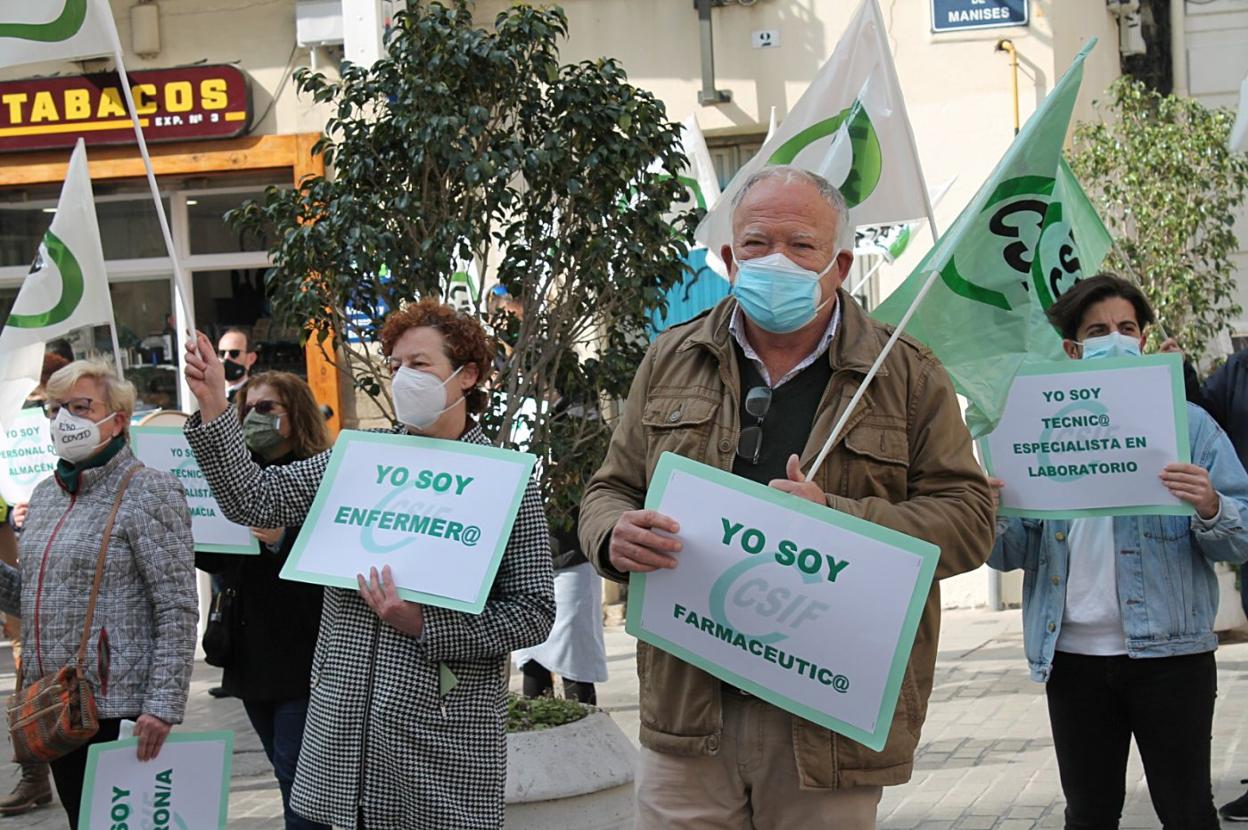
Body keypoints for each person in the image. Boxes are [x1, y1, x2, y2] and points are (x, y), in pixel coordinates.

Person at [578, 166, 995, 828]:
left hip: (824, 727)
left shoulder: (906, 374)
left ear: (841, 263)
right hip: (690, 714)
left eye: (801, 246)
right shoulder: (669, 358)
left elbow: (971, 519)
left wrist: (838, 518)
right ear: (726, 258)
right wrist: (612, 534)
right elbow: (611, 488)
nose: (778, 261)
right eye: (757, 244)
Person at [181, 299, 555, 830]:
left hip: (435, 760)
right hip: (337, 757)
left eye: (420, 365)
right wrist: (217, 406)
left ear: (467, 375)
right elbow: (255, 502)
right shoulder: (361, 459)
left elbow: (534, 611)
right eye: (396, 364)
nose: (403, 378)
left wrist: (426, 624)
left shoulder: (505, 482)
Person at [987, 274, 1248, 829]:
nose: (1116, 338)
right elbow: (1007, 553)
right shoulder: (1035, 429)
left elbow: (1242, 537)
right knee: (1089, 814)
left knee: (1187, 812)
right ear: (1073, 349)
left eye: (1127, 328)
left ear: (1144, 341)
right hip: (1073, 657)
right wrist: (987, 512)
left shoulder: (1191, 425)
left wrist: (1208, 505)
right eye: (1099, 329)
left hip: (1172, 659)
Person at [0, 359, 198, 828]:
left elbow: (177, 606)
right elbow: (30, 598)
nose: (65, 419)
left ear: (119, 418)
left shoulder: (150, 491)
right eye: (56, 408)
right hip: (56, 706)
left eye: (81, 407)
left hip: (121, 709)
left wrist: (162, 706)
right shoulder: (46, 494)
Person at [194, 371, 331, 830]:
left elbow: (332, 557)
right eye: (247, 408)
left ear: (296, 414)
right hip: (251, 658)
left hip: (303, 655)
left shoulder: (319, 472)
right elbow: (216, 560)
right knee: (282, 767)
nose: (254, 417)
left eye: (267, 408)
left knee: (301, 776)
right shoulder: (237, 478)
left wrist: (281, 539)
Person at [0, 352, 69, 817]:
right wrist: (11, 510)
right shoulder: (10, 423)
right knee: (28, 681)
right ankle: (34, 775)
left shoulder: (74, 424)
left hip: (69, 579)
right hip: (22, 562)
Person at [514, 390, 608, 704]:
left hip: (572, 554)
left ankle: (583, 736)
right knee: (532, 659)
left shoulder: (581, 415)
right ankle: (541, 730)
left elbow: (595, 468)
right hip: (527, 558)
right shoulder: (514, 415)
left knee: (575, 658)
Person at [218, 327, 258, 403]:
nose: (226, 358)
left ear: (251, 358)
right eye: (222, 353)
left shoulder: (256, 395)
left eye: (234, 353)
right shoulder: (211, 393)